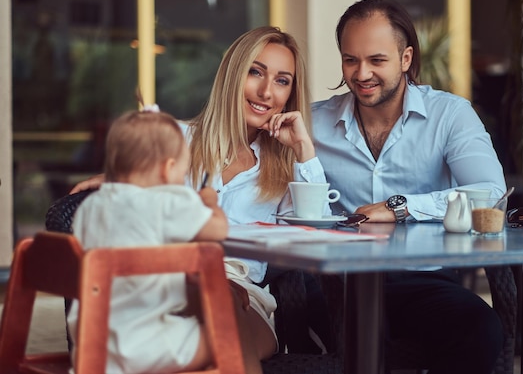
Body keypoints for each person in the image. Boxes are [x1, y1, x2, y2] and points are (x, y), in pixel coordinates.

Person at [69, 26, 332, 364]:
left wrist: (303, 150)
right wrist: (124, 180)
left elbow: (319, 232)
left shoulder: (284, 167)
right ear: (232, 75)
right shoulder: (174, 139)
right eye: (256, 72)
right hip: (166, 284)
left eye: (282, 80)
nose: (267, 91)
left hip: (243, 294)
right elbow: (129, 201)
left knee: (225, 314)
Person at [311, 0, 507, 374]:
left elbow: (490, 193)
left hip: (422, 279)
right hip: (337, 284)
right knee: (359, 332)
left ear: (405, 59)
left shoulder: (449, 115)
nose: (361, 73)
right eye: (351, 59)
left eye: (376, 60)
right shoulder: (314, 123)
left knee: (479, 329)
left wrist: (399, 207)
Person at [67, 109, 234, 374]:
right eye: (183, 171)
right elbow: (217, 230)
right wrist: (210, 203)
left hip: (91, 345)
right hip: (149, 343)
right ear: (168, 170)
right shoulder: (167, 201)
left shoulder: (90, 206)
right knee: (227, 340)